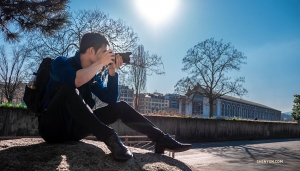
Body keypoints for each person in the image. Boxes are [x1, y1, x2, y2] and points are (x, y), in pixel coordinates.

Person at [38, 32, 192, 162]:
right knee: (68, 90)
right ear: (91, 50)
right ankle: (111, 139)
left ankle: (160, 139)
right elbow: (76, 80)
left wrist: (112, 72)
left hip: (75, 130)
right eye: (103, 52)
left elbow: (110, 99)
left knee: (121, 107)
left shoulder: (93, 76)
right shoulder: (61, 62)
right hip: (52, 128)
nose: (107, 55)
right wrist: (100, 64)